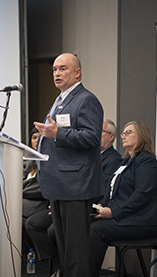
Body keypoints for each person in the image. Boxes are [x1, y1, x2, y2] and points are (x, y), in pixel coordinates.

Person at [34, 53, 104, 277]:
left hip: (76, 184)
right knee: (64, 249)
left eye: (62, 69)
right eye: (54, 69)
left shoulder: (86, 99)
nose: (56, 73)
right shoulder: (61, 99)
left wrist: (57, 133)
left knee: (76, 251)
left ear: (77, 73)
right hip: (58, 183)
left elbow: (92, 138)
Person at [26, 118, 122, 276]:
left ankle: (66, 269)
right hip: (67, 201)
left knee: (53, 231)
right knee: (33, 224)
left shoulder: (114, 160)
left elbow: (101, 191)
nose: (95, 135)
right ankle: (59, 265)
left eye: (100, 131)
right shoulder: (87, 154)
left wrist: (69, 203)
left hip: (87, 207)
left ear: (111, 136)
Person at [89, 121, 157, 276]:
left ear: (142, 137)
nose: (123, 136)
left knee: (96, 230)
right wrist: (100, 205)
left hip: (146, 220)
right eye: (123, 133)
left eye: (128, 133)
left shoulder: (146, 161)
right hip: (131, 216)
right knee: (85, 223)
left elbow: (142, 195)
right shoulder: (126, 161)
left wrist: (113, 211)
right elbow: (111, 190)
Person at [21, 127, 48, 255]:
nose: (37, 141)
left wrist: (16, 190)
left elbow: (40, 189)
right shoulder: (26, 163)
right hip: (22, 201)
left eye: (40, 137)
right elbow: (13, 181)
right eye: (34, 138)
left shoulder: (49, 162)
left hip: (37, 204)